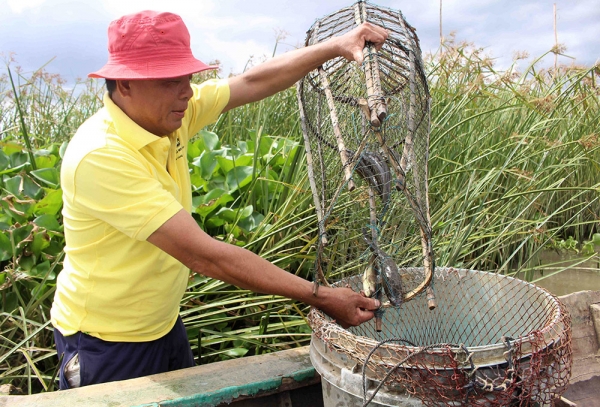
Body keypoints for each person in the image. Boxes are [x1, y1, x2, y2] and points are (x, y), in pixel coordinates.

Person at [50, 10, 387, 389]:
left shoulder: (167, 115)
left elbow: (253, 80)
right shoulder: (100, 155)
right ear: (125, 84)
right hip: (106, 342)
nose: (187, 92)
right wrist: (320, 296)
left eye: (188, 78)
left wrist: (334, 47)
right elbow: (204, 255)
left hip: (162, 324)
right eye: (170, 81)